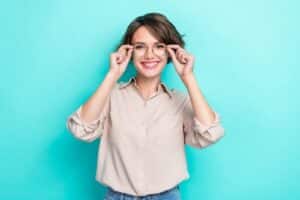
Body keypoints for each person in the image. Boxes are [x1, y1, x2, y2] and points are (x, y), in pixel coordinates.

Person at [66, 12, 225, 200]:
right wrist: (112, 74)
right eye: (140, 47)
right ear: (129, 51)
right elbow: (80, 130)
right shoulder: (110, 96)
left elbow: (210, 134)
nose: (150, 55)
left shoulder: (180, 101)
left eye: (159, 46)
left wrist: (188, 77)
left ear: (170, 52)